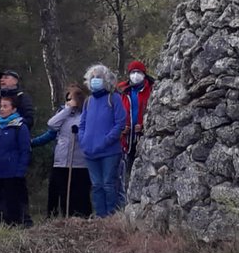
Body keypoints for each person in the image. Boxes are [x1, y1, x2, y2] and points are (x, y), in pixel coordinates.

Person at [31, 83, 92, 218]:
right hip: (61, 161)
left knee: (79, 193)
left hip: (79, 162)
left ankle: (82, 218)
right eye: (68, 98)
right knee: (60, 192)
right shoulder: (63, 113)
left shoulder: (86, 113)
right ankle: (59, 217)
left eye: (72, 98)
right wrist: (67, 110)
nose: (69, 101)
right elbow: (52, 124)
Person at [78, 63, 126, 218]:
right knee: (97, 185)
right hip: (90, 152)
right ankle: (100, 216)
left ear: (106, 80)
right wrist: (83, 140)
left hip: (109, 152)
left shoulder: (114, 98)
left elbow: (120, 123)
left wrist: (106, 140)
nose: (95, 80)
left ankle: (112, 216)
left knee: (108, 184)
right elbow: (82, 123)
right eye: (92, 77)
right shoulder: (88, 101)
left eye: (98, 77)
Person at [0, 93, 31, 227]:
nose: (2, 109)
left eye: (5, 106)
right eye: (1, 106)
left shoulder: (20, 126)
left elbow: (25, 151)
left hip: (11, 173)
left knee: (12, 203)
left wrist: (20, 172)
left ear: (13, 109)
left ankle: (14, 227)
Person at [118, 60, 155, 180]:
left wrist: (144, 125)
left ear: (144, 74)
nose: (135, 75)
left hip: (143, 137)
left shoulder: (151, 89)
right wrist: (122, 127)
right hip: (126, 139)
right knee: (126, 173)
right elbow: (116, 112)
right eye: (133, 72)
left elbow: (155, 111)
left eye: (138, 72)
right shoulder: (122, 91)